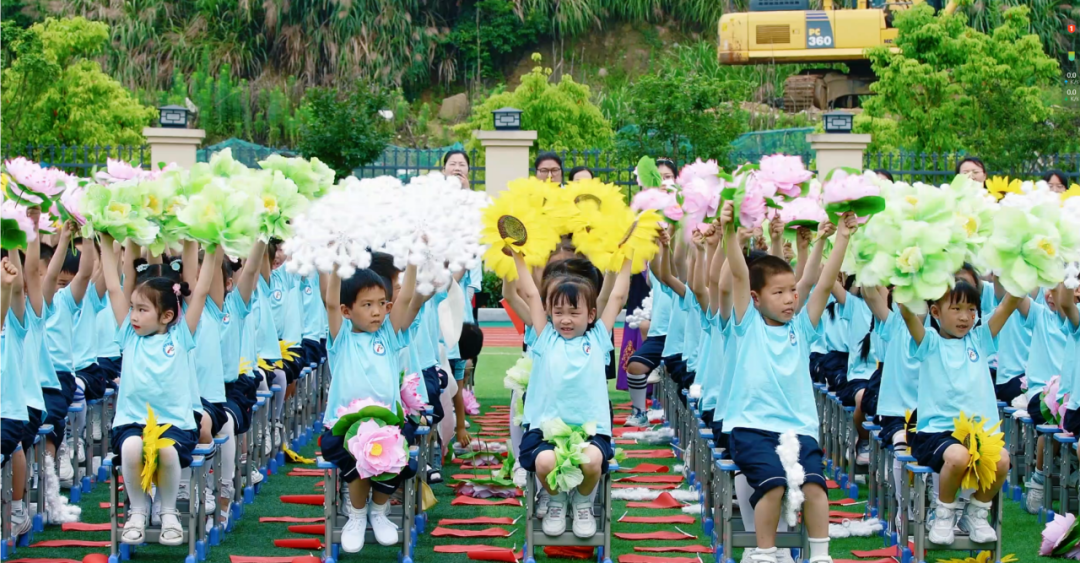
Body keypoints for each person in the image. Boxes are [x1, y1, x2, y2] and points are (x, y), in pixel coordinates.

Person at [721, 200, 856, 563]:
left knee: (814, 485)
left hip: (798, 429)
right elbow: (737, 273)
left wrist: (839, 237)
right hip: (751, 428)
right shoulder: (747, 324)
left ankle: (820, 555)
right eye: (777, 293)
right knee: (774, 485)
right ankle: (764, 551)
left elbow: (823, 282)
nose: (789, 299)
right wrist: (730, 229)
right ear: (756, 298)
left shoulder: (800, 327)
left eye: (791, 292)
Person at [98, 234, 217, 546]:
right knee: (131, 449)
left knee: (165, 450)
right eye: (133, 309)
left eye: (142, 310)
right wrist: (106, 241)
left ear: (167, 316)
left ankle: (168, 512)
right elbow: (113, 286)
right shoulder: (129, 336)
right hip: (132, 421)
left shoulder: (180, 337)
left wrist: (215, 244)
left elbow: (202, 292)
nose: (134, 316)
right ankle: (137, 510)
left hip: (174, 423)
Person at [513, 245, 631, 540]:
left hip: (590, 431)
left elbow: (616, 296)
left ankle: (582, 502)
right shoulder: (545, 338)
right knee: (544, 462)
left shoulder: (599, 339)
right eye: (558, 312)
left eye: (574, 312)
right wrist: (517, 256)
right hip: (546, 431)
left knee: (592, 462)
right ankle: (555, 500)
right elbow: (529, 294)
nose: (565, 319)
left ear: (591, 314)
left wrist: (630, 256)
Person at [320, 262, 431, 554]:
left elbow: (406, 298)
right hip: (342, 426)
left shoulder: (388, 336)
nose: (376, 311)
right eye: (367, 304)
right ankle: (356, 515)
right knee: (359, 456)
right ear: (347, 311)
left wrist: (414, 259)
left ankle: (378, 511)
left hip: (388, 423)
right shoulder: (341, 338)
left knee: (395, 454)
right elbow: (330, 301)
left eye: (382, 304)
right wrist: (335, 263)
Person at [900, 277, 1021, 545]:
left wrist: (1026, 267)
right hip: (936, 432)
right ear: (935, 312)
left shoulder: (980, 339)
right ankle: (944, 513)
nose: (965, 317)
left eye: (971, 310)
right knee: (957, 456)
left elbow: (1010, 303)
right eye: (956, 309)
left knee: (1002, 460)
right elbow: (907, 314)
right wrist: (905, 280)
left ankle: (976, 512)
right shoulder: (929, 340)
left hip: (980, 433)